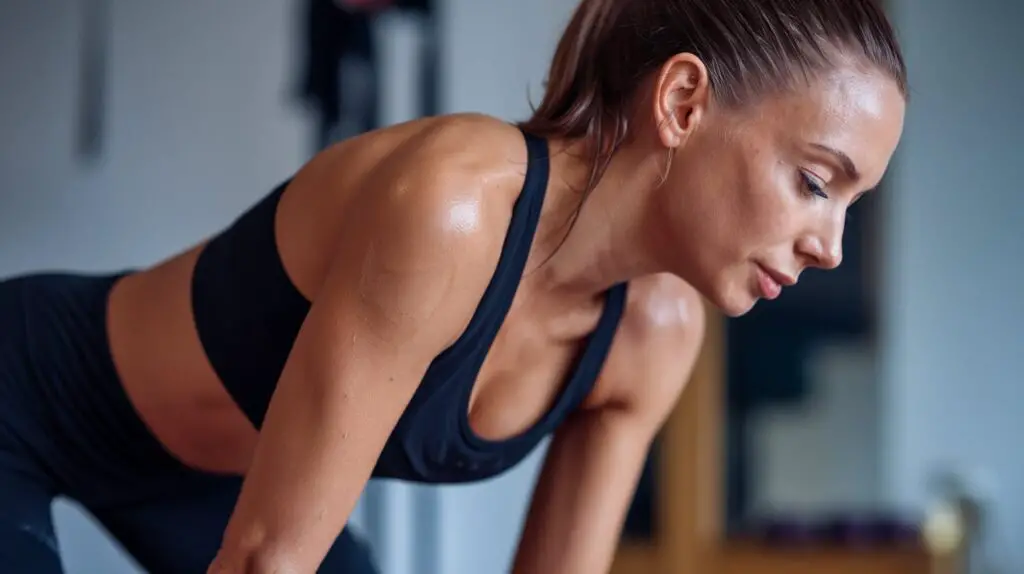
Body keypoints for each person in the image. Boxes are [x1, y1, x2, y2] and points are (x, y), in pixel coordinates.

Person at [0, 0, 908, 571]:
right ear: (681, 103)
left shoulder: (655, 336)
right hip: (26, 402)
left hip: (205, 488)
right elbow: (268, 558)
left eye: (853, 203)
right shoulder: (455, 209)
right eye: (818, 181)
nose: (831, 246)